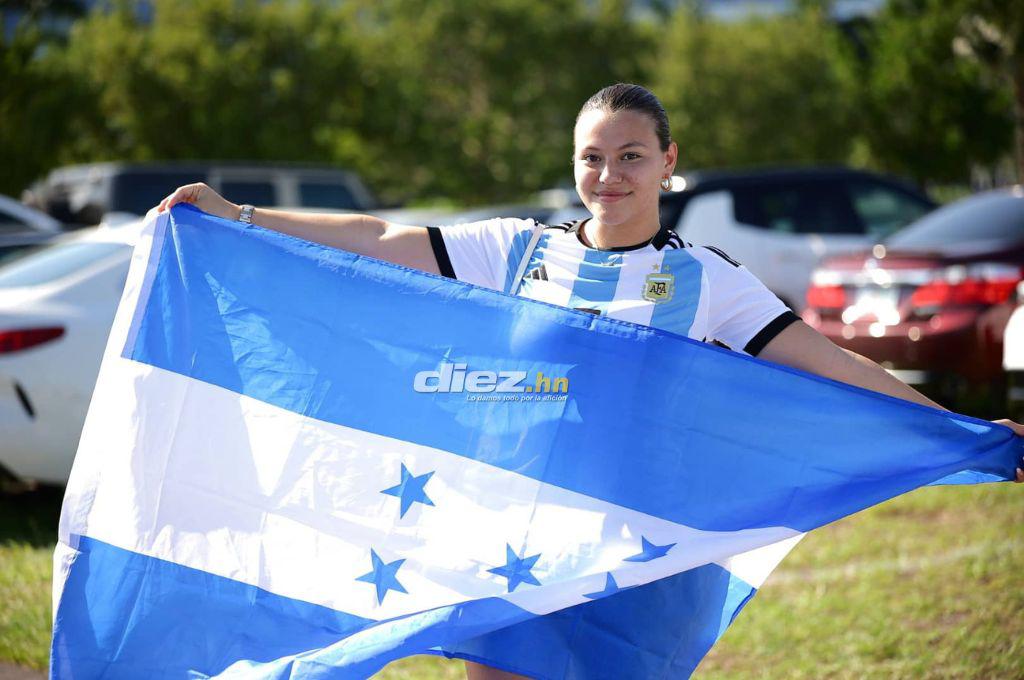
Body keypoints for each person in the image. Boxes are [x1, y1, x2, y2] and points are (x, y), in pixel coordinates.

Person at [159, 83, 1023, 679]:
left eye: (632, 156)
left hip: (640, 549)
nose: (609, 176)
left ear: (669, 161)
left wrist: (963, 430)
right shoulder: (517, 251)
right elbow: (381, 239)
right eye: (592, 157)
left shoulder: (709, 281)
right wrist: (237, 216)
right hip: (512, 534)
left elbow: (832, 365)